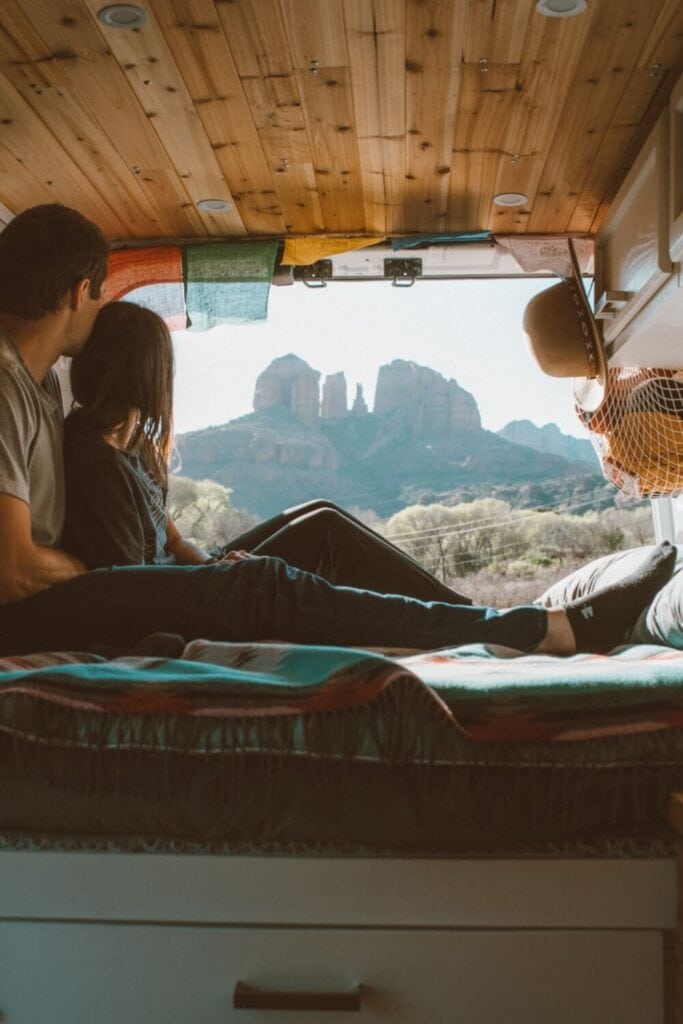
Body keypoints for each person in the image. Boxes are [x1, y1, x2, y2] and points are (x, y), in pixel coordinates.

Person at [0, 203, 675, 659]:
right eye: (99, 296)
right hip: (43, 618)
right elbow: (17, 572)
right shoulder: (7, 387)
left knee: (315, 521)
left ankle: (486, 623)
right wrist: (114, 574)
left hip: (92, 591)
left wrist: (188, 571)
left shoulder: (41, 387)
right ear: (75, 293)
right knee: (262, 584)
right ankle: (535, 631)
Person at [62, 301, 474, 605]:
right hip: (175, 600)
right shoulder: (95, 460)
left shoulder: (134, 447)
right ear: (148, 374)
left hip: (191, 580)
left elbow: (174, 538)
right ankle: (462, 614)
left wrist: (214, 565)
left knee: (318, 509)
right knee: (325, 530)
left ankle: (455, 611)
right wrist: (223, 578)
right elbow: (132, 586)